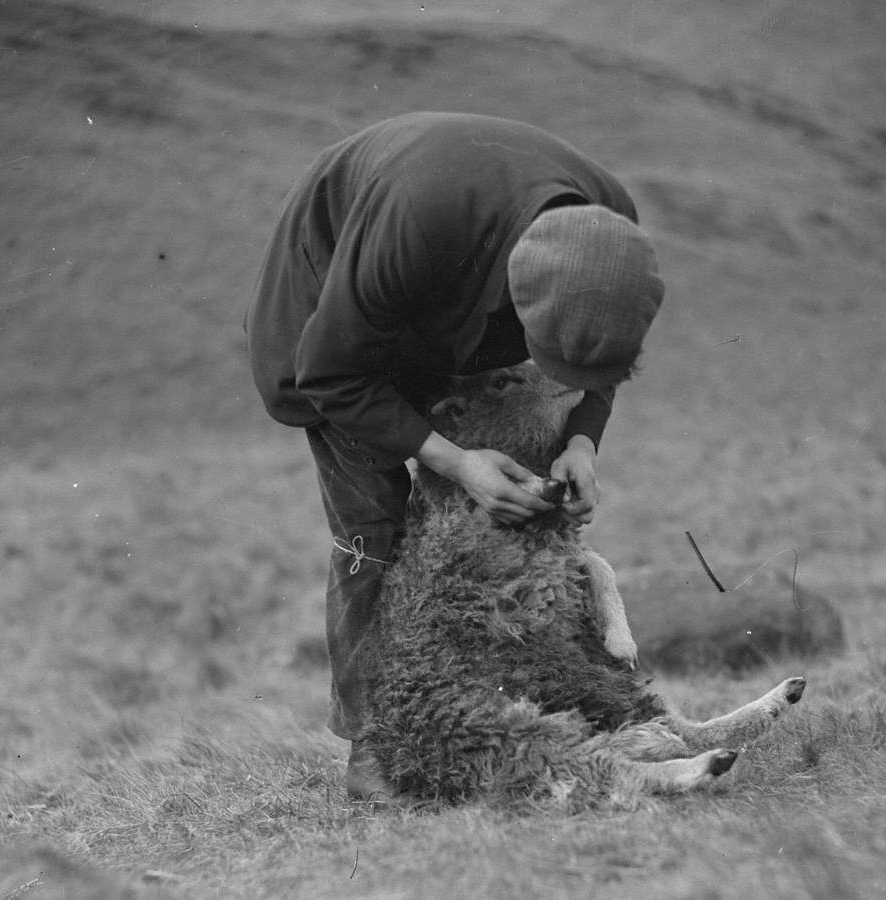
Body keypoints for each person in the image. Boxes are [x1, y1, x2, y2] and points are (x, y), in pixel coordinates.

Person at [245, 112, 664, 802]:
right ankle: (377, 750)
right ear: (516, 292)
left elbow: (595, 365)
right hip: (331, 318)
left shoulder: (610, 235)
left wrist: (583, 437)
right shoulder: (420, 224)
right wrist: (454, 460)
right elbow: (330, 372)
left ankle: (520, 718)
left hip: (452, 300)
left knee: (503, 520)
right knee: (375, 529)